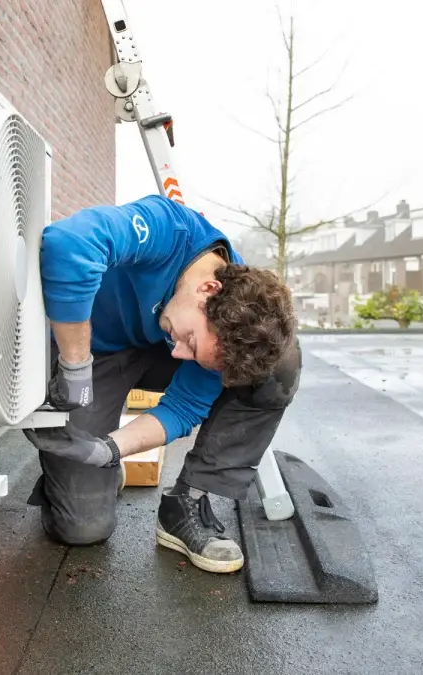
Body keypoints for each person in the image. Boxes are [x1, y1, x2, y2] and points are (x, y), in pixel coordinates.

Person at [22, 193, 301, 573]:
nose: (179, 355)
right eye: (192, 341)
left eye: (195, 352)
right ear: (208, 290)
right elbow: (69, 242)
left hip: (149, 345)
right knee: (83, 528)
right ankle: (84, 481)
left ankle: (186, 503)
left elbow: (184, 406)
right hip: (94, 350)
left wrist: (108, 450)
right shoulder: (169, 230)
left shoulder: (226, 333)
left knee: (279, 363)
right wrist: (74, 365)